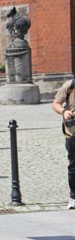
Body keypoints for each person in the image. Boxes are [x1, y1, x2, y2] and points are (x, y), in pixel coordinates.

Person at [52, 79, 75, 209]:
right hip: (72, 133)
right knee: (73, 166)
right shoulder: (70, 86)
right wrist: (64, 112)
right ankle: (73, 197)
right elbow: (56, 103)